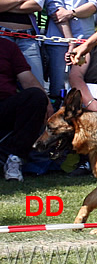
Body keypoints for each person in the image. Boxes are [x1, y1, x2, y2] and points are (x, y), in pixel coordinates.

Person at [0, 37, 53, 181]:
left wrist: (46, 102)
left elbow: (28, 80)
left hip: (5, 106)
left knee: (36, 97)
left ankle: (14, 157)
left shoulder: (7, 47)